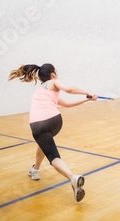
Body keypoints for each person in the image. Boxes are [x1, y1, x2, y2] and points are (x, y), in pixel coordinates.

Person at [8, 63, 97, 202]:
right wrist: (87, 94)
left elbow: (67, 97)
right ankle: (35, 170)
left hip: (38, 125)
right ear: (53, 74)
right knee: (44, 144)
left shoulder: (42, 90)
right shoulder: (53, 82)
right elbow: (68, 94)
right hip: (56, 122)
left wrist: (87, 98)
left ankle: (72, 177)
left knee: (53, 156)